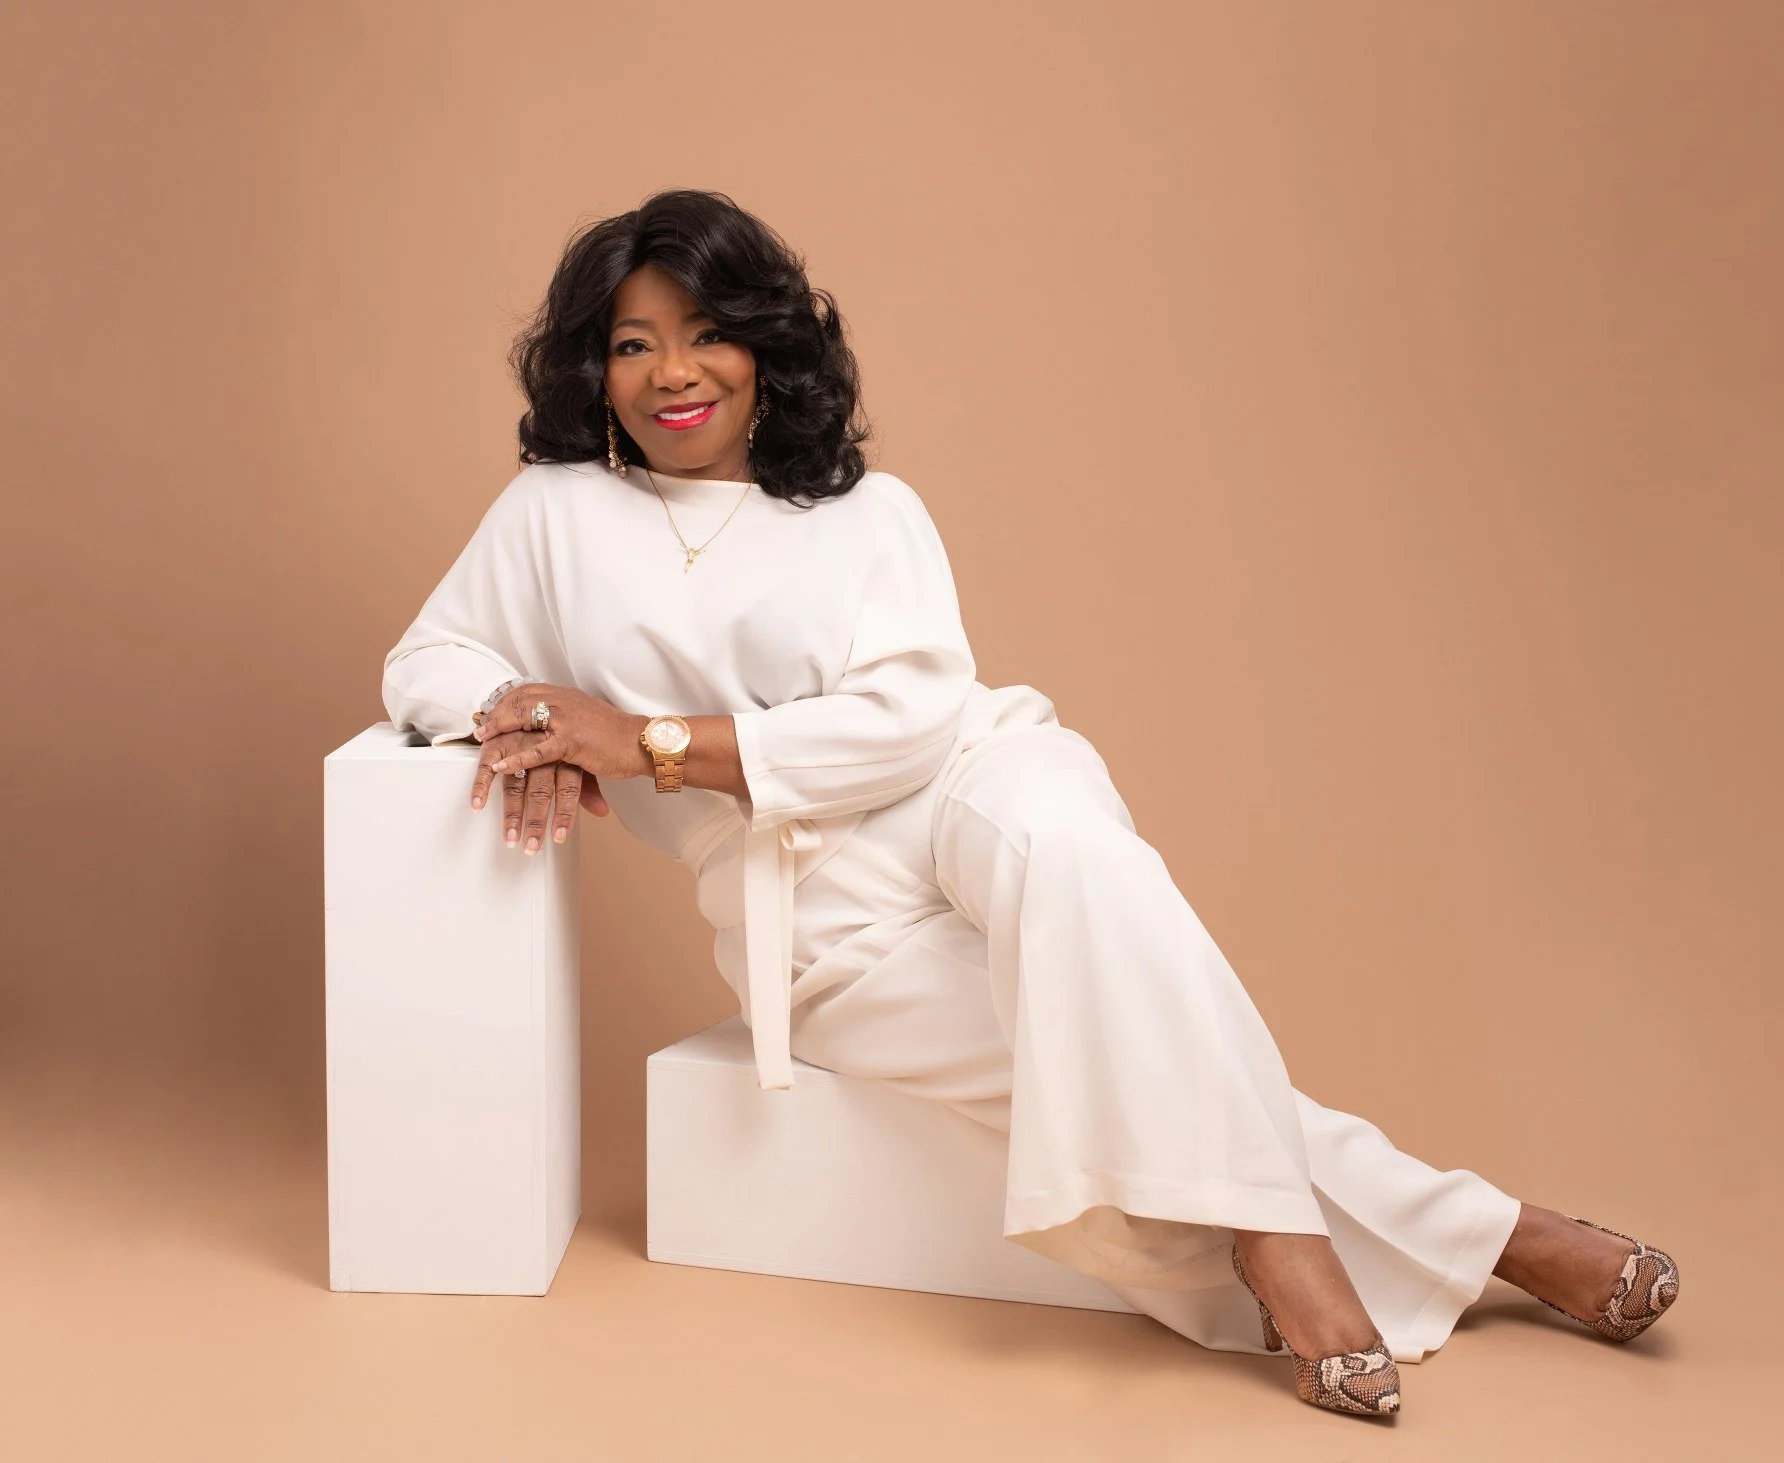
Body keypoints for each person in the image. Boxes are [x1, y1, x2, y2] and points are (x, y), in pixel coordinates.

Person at [381, 188, 1679, 1420]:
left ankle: (1285, 1246)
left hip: (960, 780)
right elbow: (427, 661)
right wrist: (533, 726)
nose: (676, 371)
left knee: (1078, 856)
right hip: (812, 913)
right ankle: (1494, 1232)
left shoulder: (867, 510)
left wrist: (644, 739)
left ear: (766, 347)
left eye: (709, 333)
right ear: (590, 372)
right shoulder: (553, 512)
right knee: (1099, 1056)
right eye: (634, 343)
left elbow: (908, 717)